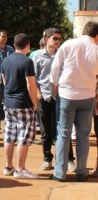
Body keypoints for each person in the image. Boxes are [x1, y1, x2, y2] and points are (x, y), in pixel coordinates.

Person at [50, 21, 98, 182]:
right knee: (83, 136)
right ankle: (82, 171)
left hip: (67, 95)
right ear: (96, 35)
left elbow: (55, 67)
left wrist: (54, 86)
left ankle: (60, 172)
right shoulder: (96, 49)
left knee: (63, 134)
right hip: (88, 96)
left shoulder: (68, 44)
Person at [33, 28, 75, 171]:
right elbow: (33, 78)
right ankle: (47, 159)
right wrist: (38, 93)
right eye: (55, 38)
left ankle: (69, 160)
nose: (57, 41)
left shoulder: (63, 55)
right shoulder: (37, 56)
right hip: (44, 97)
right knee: (46, 131)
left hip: (61, 97)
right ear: (46, 39)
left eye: (59, 39)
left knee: (63, 128)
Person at [0, 33, 38, 179]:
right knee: (24, 136)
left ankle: (8, 166)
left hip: (9, 103)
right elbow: (31, 84)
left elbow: (4, 81)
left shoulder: (5, 61)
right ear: (27, 45)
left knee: (9, 135)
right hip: (23, 103)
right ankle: (20, 169)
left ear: (14, 44)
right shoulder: (27, 62)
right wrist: (35, 103)